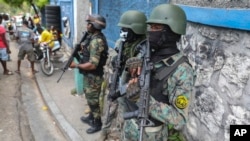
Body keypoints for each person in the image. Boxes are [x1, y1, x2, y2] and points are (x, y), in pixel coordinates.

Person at [121, 4, 195, 141]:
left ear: (171, 32)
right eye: (150, 27)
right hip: (130, 126)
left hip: (151, 134)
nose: (150, 32)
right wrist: (130, 66)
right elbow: (126, 83)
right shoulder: (148, 53)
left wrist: (143, 99)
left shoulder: (182, 70)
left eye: (156, 28)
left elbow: (179, 119)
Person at [97, 10, 147, 141]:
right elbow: (114, 53)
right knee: (109, 106)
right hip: (117, 80)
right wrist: (115, 59)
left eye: (125, 29)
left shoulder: (144, 48)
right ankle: (105, 131)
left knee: (126, 116)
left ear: (135, 30)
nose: (122, 31)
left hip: (131, 89)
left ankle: (121, 134)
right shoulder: (121, 42)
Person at [69, 14, 108, 134]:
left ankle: (97, 123)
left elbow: (93, 64)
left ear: (94, 25)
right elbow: (88, 53)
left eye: (89, 24)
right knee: (90, 97)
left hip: (94, 76)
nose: (87, 26)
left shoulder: (97, 41)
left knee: (93, 100)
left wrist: (76, 65)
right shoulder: (92, 37)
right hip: (89, 76)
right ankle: (91, 116)